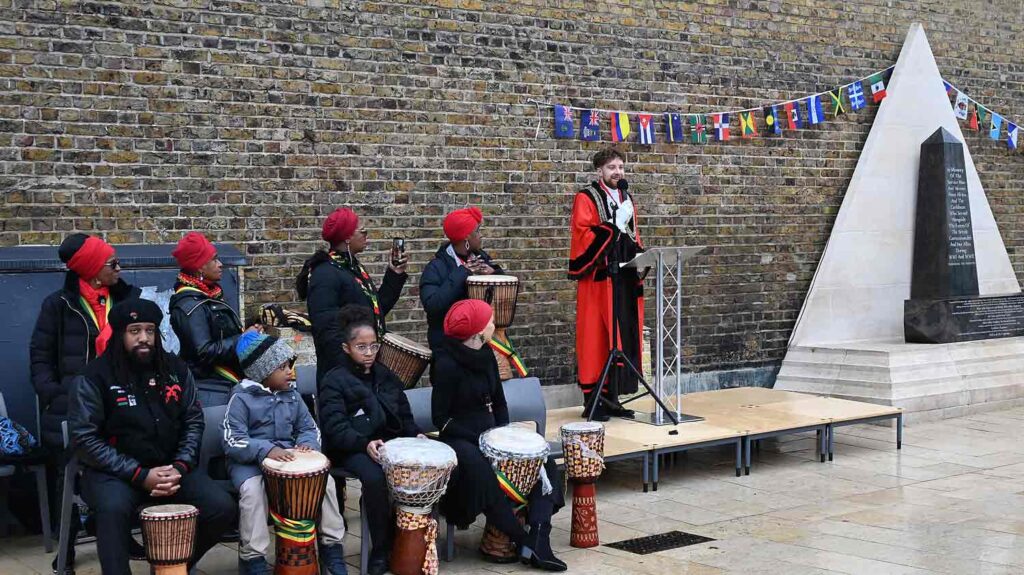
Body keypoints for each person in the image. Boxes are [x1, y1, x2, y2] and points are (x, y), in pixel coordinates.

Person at [67, 298, 237, 575]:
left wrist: (180, 466)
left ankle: (173, 565)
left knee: (221, 507)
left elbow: (193, 420)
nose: (144, 338)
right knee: (112, 511)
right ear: (120, 333)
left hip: (171, 466)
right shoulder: (94, 377)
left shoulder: (175, 368)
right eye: (135, 331)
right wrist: (138, 474)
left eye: (150, 330)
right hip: (115, 472)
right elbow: (85, 439)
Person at [29, 233, 139, 572]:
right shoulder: (58, 305)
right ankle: (68, 546)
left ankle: (120, 535)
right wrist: (57, 394)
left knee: (127, 464)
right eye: (112, 264)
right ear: (93, 271)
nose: (119, 269)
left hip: (121, 402)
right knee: (69, 476)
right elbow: (40, 358)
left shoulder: (124, 302)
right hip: (73, 405)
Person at [431, 299, 566, 571]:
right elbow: (441, 418)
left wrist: (504, 437)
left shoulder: (487, 355)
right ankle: (525, 541)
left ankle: (540, 537)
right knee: (482, 473)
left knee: (543, 461)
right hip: (461, 438)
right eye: (489, 321)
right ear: (477, 331)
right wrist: (483, 442)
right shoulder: (446, 363)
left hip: (493, 434)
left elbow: (500, 403)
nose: (494, 324)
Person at [223, 331, 347, 575]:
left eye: (290, 365)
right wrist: (267, 449)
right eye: (282, 367)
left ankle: (332, 549)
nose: (290, 372)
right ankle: (253, 559)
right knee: (252, 492)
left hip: (289, 459)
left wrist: (308, 444)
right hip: (249, 462)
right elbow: (232, 441)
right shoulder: (240, 399)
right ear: (262, 372)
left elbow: (309, 427)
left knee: (328, 483)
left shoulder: (291, 395)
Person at [318, 305, 422, 575]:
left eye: (373, 346)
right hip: (351, 448)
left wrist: (416, 434)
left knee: (422, 466)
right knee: (376, 478)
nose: (368, 353)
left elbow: (403, 412)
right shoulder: (334, 380)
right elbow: (334, 427)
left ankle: (414, 540)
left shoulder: (386, 375)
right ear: (346, 348)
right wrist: (363, 443)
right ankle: (380, 549)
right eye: (361, 347)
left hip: (386, 444)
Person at [568, 147, 645, 421]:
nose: (618, 172)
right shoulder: (586, 197)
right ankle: (594, 402)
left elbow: (634, 235)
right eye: (612, 167)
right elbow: (582, 235)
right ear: (599, 171)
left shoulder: (627, 197)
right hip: (599, 280)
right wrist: (612, 225)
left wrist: (640, 256)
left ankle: (614, 399)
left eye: (621, 167)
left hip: (623, 277)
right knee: (598, 338)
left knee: (622, 334)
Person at [297, 208, 408, 382]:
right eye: (363, 231)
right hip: (342, 375)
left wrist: (394, 274)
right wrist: (354, 366)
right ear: (347, 237)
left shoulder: (353, 268)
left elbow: (375, 313)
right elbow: (327, 332)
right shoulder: (325, 274)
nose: (366, 236)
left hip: (364, 367)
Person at [169, 231, 259, 406]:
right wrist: (243, 338)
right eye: (214, 260)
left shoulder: (209, 295)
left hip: (224, 381)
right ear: (200, 267)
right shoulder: (190, 305)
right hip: (210, 387)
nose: (221, 264)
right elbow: (203, 351)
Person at [419, 206, 504, 351]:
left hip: (481, 343)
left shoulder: (480, 258)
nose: (481, 235)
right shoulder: (436, 267)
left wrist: (494, 273)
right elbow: (433, 306)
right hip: (448, 348)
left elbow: (501, 293)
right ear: (466, 237)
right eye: (477, 231)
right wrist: (462, 273)